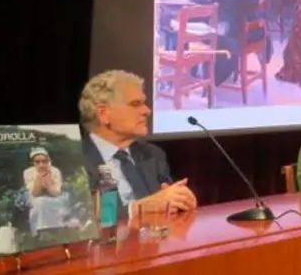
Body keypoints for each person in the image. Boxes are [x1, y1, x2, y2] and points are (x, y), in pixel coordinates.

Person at [80, 70, 197, 217]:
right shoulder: (74, 161)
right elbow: (78, 219)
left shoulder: (153, 155)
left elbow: (165, 208)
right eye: (136, 104)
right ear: (103, 113)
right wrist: (138, 208)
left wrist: (181, 202)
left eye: (144, 103)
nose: (147, 111)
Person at [23, 147, 66, 232]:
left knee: (58, 203)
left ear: (48, 161)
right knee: (39, 202)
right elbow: (35, 193)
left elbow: (56, 193)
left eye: (44, 161)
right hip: (36, 197)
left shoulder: (55, 171)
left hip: (53, 197)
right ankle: (40, 230)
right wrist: (39, 177)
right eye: (37, 162)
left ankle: (57, 228)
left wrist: (48, 183)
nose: (41, 165)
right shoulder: (27, 172)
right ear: (33, 163)